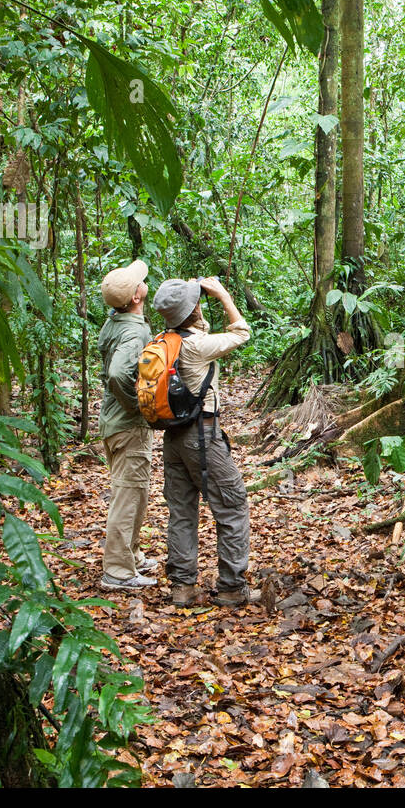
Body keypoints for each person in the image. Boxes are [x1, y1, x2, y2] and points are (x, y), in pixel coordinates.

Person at [151, 276, 252, 607]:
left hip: (173, 438)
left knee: (181, 510)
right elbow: (242, 332)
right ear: (193, 309)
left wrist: (193, 309)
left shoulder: (165, 341)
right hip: (201, 437)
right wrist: (222, 293)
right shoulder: (196, 346)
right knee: (232, 503)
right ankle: (232, 587)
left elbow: (200, 329)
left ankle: (182, 586)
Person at [97, 259, 159, 590]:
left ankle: (131, 554)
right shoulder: (134, 330)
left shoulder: (117, 321)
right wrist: (137, 407)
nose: (142, 281)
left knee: (136, 491)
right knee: (127, 493)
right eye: (139, 282)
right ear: (136, 296)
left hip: (115, 421)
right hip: (127, 424)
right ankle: (118, 571)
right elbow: (119, 373)